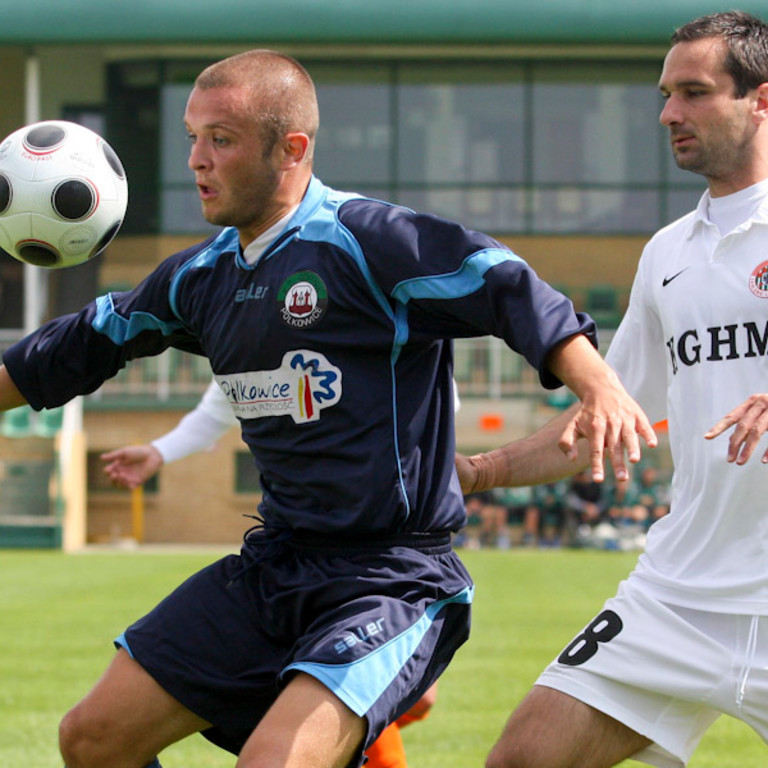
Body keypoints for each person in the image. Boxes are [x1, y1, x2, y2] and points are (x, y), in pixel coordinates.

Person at [0, 50, 652, 768]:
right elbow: (85, 341)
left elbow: (503, 282)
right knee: (92, 739)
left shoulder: (367, 243)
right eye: (191, 137)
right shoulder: (201, 276)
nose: (195, 160)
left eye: (221, 139)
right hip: (273, 567)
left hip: (390, 579)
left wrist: (595, 380)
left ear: (292, 149)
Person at [458, 11, 768, 767]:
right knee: (521, 760)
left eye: (694, 92)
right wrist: (477, 473)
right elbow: (610, 417)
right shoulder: (668, 253)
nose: (668, 113)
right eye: (666, 94)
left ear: (761, 100)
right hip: (681, 598)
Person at [100, 379, 439, 768]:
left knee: (413, 699)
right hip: (285, 561)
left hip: (385, 562)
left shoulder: (397, 339)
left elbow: (433, 406)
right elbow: (214, 412)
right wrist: (159, 452)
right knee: (96, 737)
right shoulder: (248, 340)